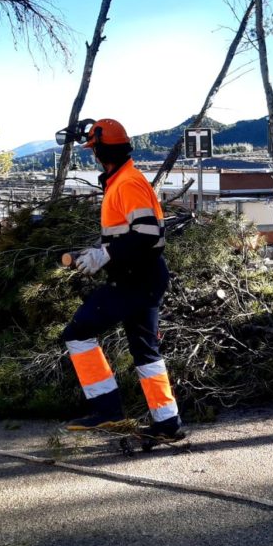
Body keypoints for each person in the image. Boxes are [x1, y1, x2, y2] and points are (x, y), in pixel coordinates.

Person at [59, 117, 183, 442]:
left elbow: (148, 233)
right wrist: (101, 252)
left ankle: (106, 410)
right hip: (143, 278)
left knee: (78, 332)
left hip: (135, 281)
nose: (93, 156)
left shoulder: (127, 183)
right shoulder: (122, 179)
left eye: (94, 150)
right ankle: (167, 424)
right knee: (146, 352)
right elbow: (130, 235)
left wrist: (106, 256)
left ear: (101, 151)